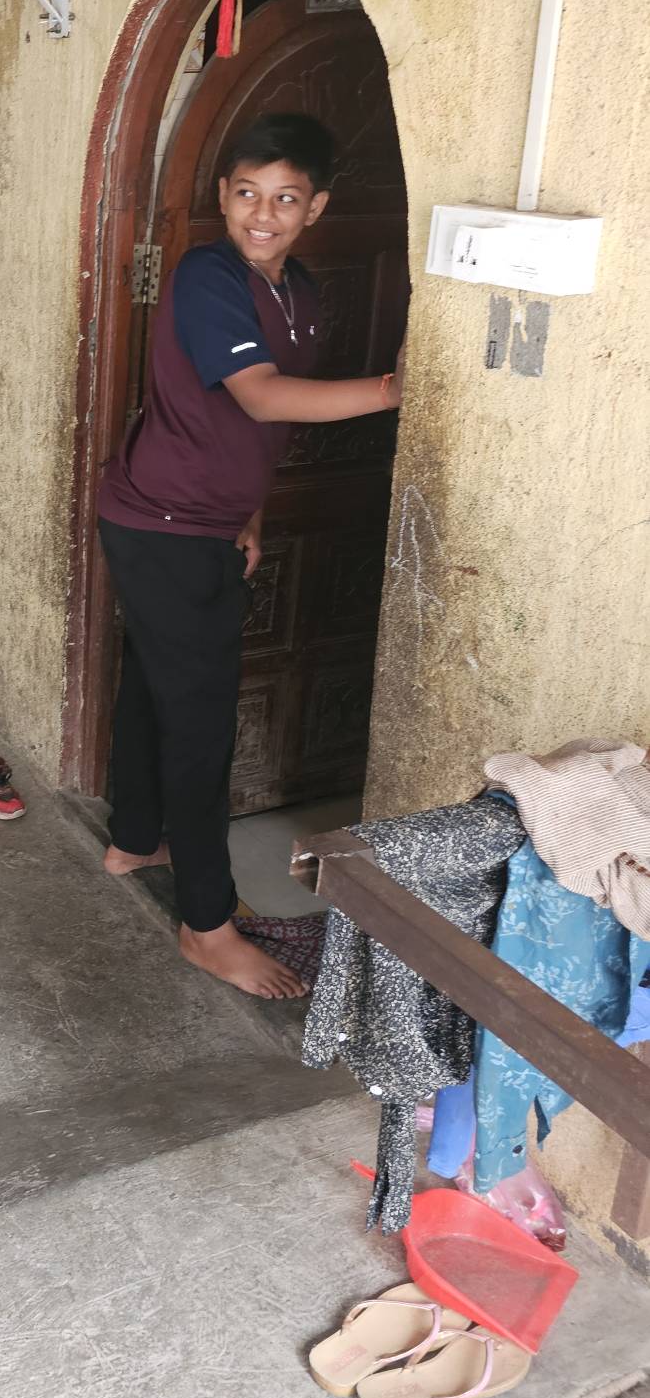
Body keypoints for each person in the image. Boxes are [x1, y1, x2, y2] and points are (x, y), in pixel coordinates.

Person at [96, 112, 404, 1000]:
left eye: (285, 198)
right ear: (225, 197)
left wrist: (251, 515)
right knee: (201, 726)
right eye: (246, 194)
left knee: (155, 684)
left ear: (316, 208)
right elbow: (263, 399)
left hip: (205, 520)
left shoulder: (300, 290)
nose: (262, 214)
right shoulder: (208, 275)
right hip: (163, 523)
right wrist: (396, 389)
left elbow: (255, 430)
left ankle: (135, 839)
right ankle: (206, 925)